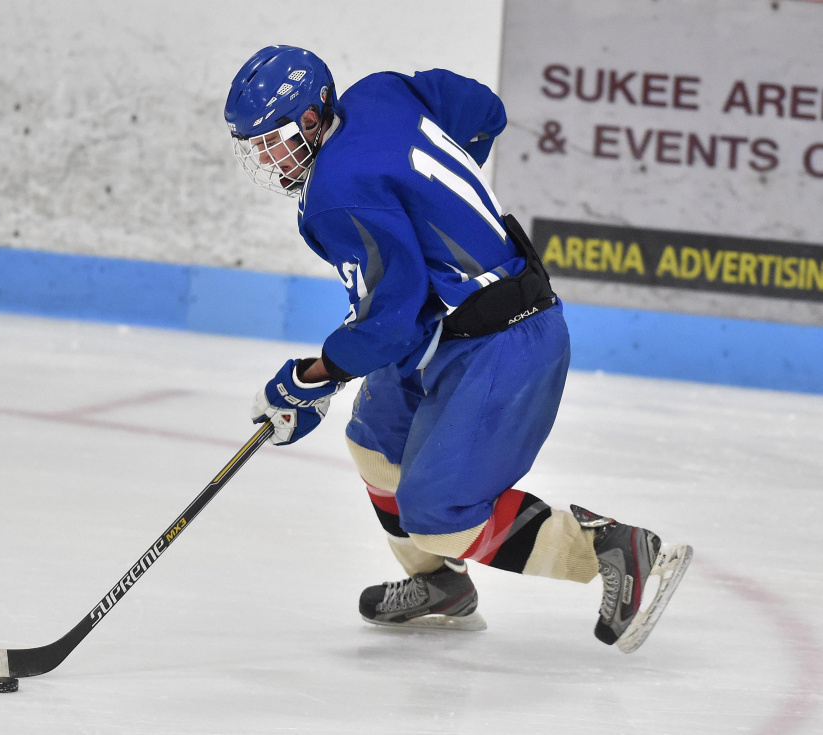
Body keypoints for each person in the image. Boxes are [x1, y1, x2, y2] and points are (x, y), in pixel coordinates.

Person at [223, 45, 692, 652]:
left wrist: (312, 377)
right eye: (254, 147)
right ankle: (440, 585)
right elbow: (482, 109)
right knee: (374, 444)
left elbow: (389, 321)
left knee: (441, 515)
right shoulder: (381, 92)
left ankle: (609, 547)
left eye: (273, 141)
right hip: (449, 326)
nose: (266, 159)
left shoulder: (335, 194)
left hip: (503, 341)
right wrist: (435, 205)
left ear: (313, 118)